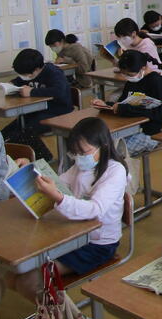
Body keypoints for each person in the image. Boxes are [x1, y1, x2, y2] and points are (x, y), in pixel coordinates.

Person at [9, 117, 127, 302]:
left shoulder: (115, 171)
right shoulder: (81, 166)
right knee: (11, 271)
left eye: (84, 152)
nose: (79, 157)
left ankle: (71, 318)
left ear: (103, 145)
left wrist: (58, 197)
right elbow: (58, 182)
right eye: (76, 152)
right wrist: (32, 171)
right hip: (71, 234)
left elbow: (95, 210)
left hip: (97, 245)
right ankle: (56, 314)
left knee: (29, 280)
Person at [1, 49, 74, 161]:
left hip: (58, 112)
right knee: (7, 131)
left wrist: (32, 92)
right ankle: (7, 158)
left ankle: (43, 157)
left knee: (26, 131)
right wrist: (11, 84)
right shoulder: (29, 72)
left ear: (36, 70)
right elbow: (19, 80)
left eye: (24, 74)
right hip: (37, 111)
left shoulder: (53, 72)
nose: (23, 77)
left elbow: (58, 91)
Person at [91, 50, 162, 155]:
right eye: (124, 73)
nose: (126, 76)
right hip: (128, 125)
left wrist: (122, 109)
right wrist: (106, 105)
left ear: (143, 68)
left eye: (129, 74)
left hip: (147, 132)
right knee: (98, 145)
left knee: (112, 153)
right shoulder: (132, 81)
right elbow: (122, 103)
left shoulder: (156, 82)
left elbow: (156, 114)